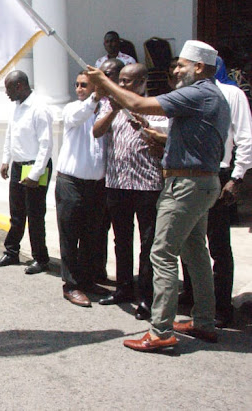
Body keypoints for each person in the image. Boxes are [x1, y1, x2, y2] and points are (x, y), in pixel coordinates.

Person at [87, 40, 230, 352]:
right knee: (194, 252)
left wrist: (105, 83)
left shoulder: (198, 92)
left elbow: (138, 105)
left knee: (161, 253)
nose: (175, 71)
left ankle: (161, 330)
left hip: (186, 185)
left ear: (199, 68)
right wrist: (165, 139)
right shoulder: (213, 95)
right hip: (201, 182)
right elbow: (199, 139)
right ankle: (203, 320)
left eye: (181, 66)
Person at [93, 63, 167, 320]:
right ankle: (124, 288)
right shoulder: (109, 105)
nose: (123, 86)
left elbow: (162, 140)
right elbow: (96, 132)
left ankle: (146, 297)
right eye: (121, 81)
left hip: (147, 185)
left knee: (148, 244)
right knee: (121, 240)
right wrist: (113, 112)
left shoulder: (155, 107)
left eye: (129, 82)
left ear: (143, 82)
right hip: (117, 184)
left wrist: (145, 125)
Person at [178, 74, 252, 327]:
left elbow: (244, 138)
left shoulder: (232, 94)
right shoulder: (185, 95)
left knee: (218, 244)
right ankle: (192, 295)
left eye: (183, 67)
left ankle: (221, 307)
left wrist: (236, 177)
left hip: (218, 172)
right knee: (189, 238)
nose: (177, 72)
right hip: (190, 172)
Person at [0, 70, 53, 275]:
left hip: (36, 166)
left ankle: (40, 258)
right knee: (16, 213)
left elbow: (46, 145)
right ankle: (12, 252)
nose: (6, 93)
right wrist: (5, 160)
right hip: (18, 166)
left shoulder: (39, 108)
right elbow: (10, 134)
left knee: (35, 214)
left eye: (8, 88)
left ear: (19, 86)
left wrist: (35, 174)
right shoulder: (17, 107)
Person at [55, 71, 108, 306]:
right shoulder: (72, 109)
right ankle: (71, 285)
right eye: (76, 85)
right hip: (71, 183)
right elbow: (76, 116)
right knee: (70, 235)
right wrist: (94, 97)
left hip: (96, 185)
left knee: (92, 235)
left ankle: (87, 280)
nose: (78, 89)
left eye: (84, 85)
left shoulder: (106, 111)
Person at [92, 58, 125, 283]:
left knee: (123, 236)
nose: (105, 79)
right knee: (97, 229)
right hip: (96, 177)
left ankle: (130, 282)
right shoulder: (94, 103)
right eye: (102, 74)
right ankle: (97, 273)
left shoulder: (128, 102)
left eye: (110, 75)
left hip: (121, 179)